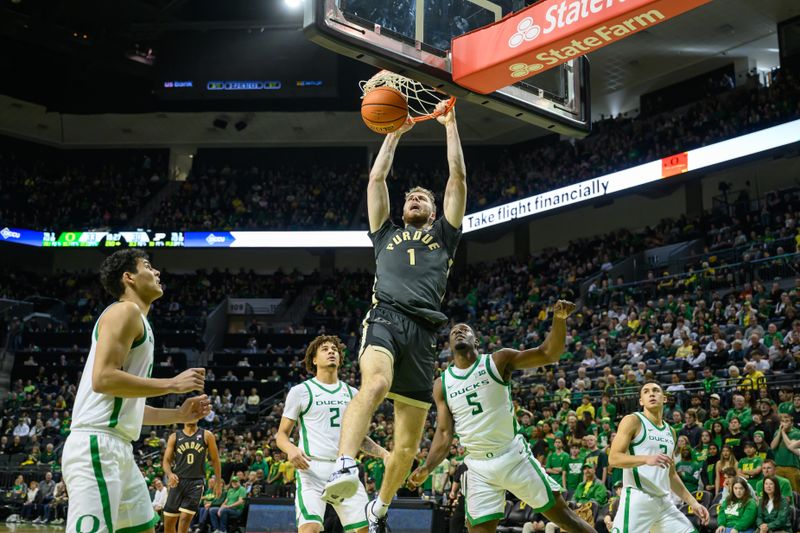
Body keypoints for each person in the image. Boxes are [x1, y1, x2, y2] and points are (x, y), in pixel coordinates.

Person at [323, 102, 467, 533]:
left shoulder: (444, 236)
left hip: (424, 334)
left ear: (435, 210)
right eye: (411, 197)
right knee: (377, 383)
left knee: (405, 448)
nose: (415, 198)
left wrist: (450, 125)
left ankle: (379, 510)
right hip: (385, 316)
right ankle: (345, 466)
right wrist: (395, 132)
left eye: (423, 197)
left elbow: (457, 178)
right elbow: (377, 178)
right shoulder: (384, 231)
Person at [407, 303, 598, 533]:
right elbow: (445, 433)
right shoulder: (442, 384)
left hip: (512, 456)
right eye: (454, 331)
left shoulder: (497, 361)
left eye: (465, 329)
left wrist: (559, 319)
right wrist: (427, 467)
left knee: (566, 520)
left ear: (476, 341)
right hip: (478, 466)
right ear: (448, 345)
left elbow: (549, 353)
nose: (458, 331)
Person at [62, 250, 211, 533]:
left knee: (142, 528)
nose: (157, 273)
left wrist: (178, 414)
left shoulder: (142, 323)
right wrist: (171, 383)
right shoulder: (124, 310)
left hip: (119, 447)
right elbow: (103, 379)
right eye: (147, 266)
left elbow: (130, 407)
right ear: (128, 278)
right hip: (96, 444)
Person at [278, 335, 389, 533]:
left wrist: (384, 454)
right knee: (309, 528)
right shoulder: (300, 391)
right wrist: (291, 450)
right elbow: (281, 435)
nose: (331, 352)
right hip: (312, 469)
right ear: (314, 359)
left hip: (344, 469)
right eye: (325, 349)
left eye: (334, 350)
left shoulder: (352, 393)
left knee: (364, 530)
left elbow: (359, 437)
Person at [608, 381, 710, 533]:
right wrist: (646, 459)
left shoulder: (671, 432)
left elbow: (671, 474)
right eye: (646, 391)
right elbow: (614, 459)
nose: (651, 393)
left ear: (664, 398)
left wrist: (693, 503)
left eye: (656, 390)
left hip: (664, 502)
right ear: (641, 401)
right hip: (638, 498)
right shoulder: (633, 421)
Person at [163, 421, 223, 533]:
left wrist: (218, 483)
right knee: (169, 523)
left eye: (194, 414)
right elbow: (166, 461)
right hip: (177, 482)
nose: (191, 417)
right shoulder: (174, 436)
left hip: (196, 482)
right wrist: (170, 474)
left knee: (185, 519)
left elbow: (215, 460)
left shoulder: (207, 435)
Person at [770, 412, 800, 492]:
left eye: (787, 421)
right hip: (778, 466)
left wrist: (783, 432)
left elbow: (790, 447)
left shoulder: (797, 433)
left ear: (792, 422)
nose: (784, 423)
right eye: (782, 421)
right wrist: (780, 432)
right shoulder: (777, 432)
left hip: (792, 466)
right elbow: (772, 446)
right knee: (779, 491)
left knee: (794, 491)